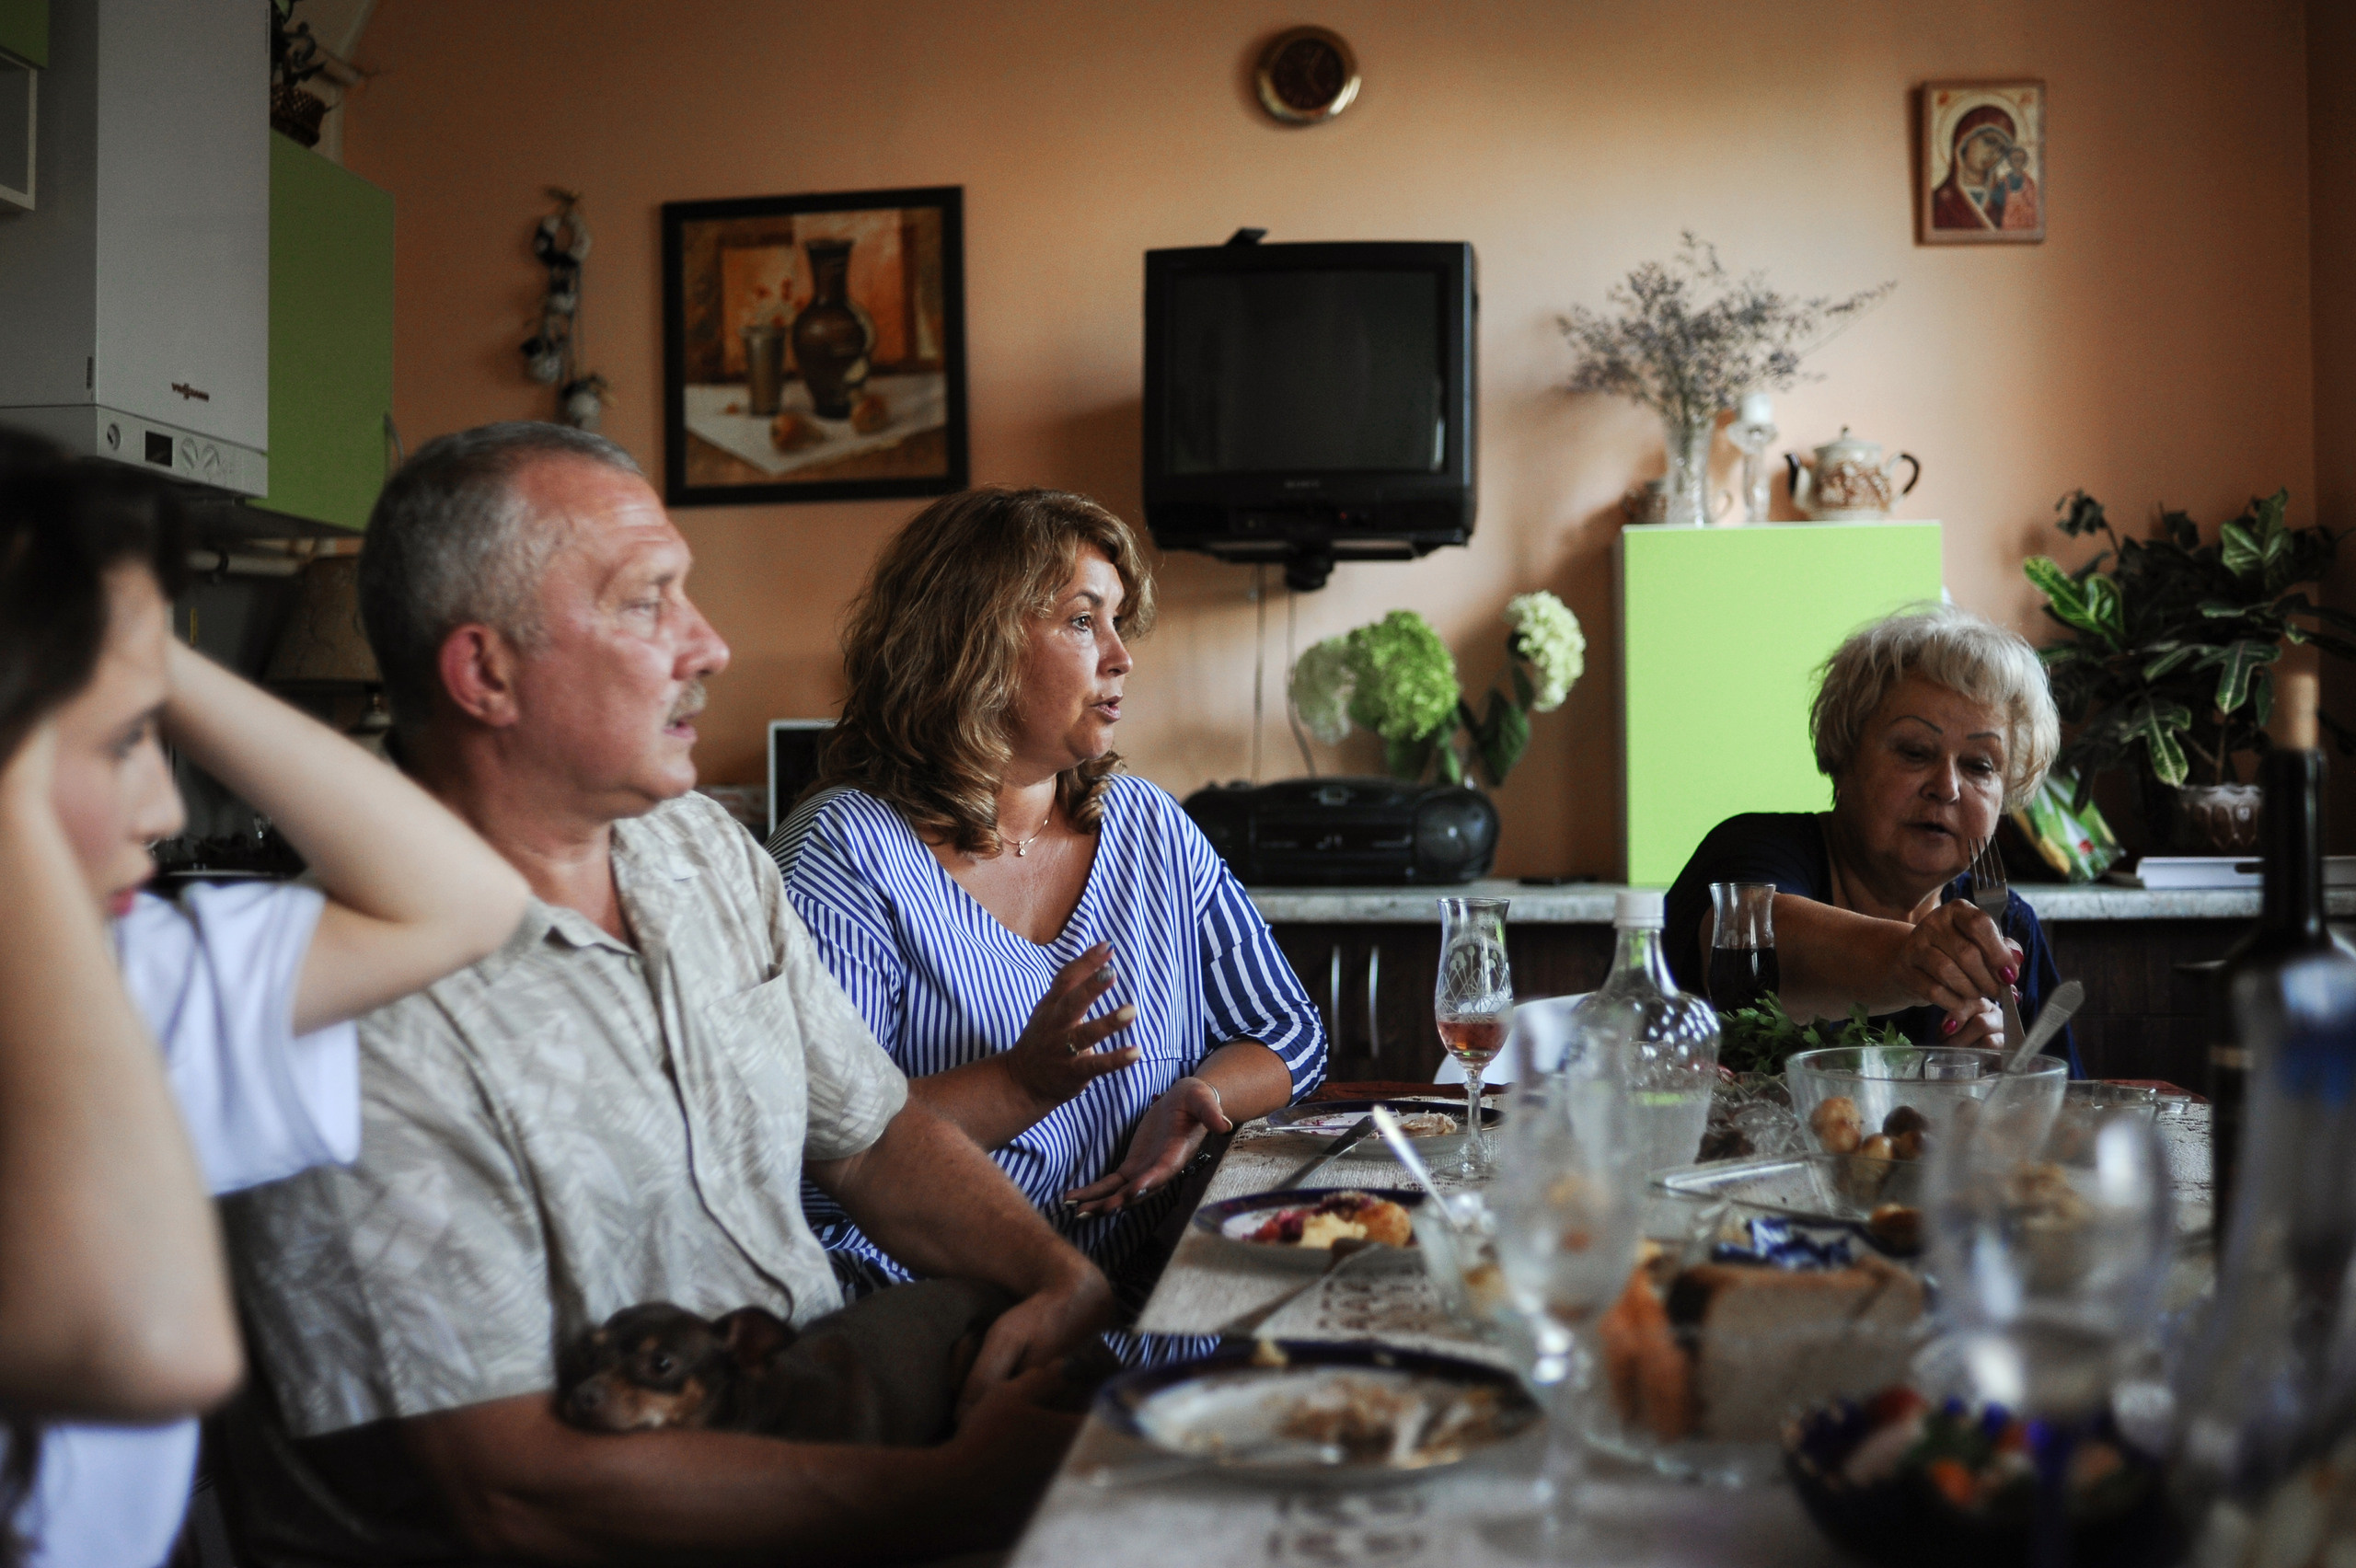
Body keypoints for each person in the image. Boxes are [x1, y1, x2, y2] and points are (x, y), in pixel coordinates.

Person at [222, 424, 1116, 1567]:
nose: (711, 644)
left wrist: (1060, 1277)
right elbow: (514, 1496)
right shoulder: (339, 1006)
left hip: (818, 1430)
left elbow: (873, 1137)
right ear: (485, 673)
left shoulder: (700, 850)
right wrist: (952, 1494)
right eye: (648, 602)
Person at [0, 444, 533, 1568]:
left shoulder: (126, 979)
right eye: (120, 742)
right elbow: (160, 1349)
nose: (163, 807)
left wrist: (121, 638)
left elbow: (465, 901)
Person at [768, 487, 1326, 1304]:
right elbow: (812, 1158)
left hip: (1141, 1296)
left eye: (1118, 622)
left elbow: (1290, 1031)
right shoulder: (843, 851)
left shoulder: (1148, 824)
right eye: (1081, 620)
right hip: (933, 1314)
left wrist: (1202, 1095)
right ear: (972, 644)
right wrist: (1018, 1081)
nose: (1121, 655)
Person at [1662, 604, 2079, 1072]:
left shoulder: (2006, 924)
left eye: (1980, 765)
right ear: (1845, 756)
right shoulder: (1752, 848)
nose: (1946, 787)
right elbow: (1755, 940)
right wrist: (1912, 960)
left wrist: (1988, 1090)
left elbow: (2065, 1106)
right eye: (1914, 752)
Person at [1930, 103, 2041, 234]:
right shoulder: (1937, 201)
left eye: (2001, 149)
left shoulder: (2006, 199)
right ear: (1964, 139)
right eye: (1989, 141)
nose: (1994, 153)